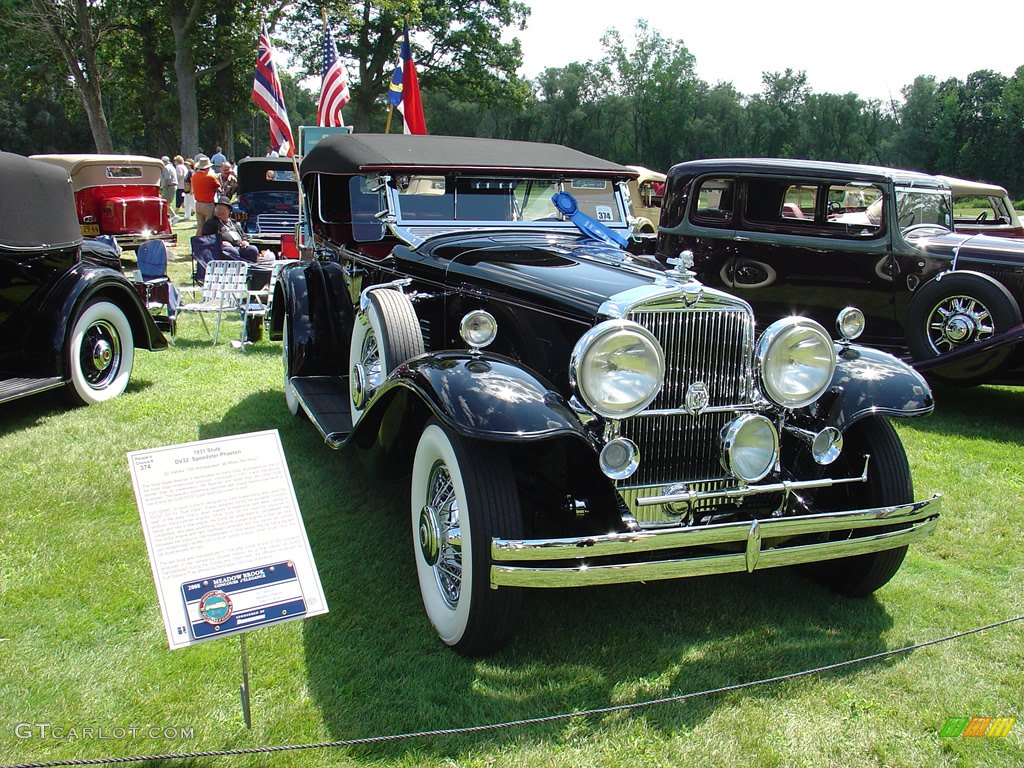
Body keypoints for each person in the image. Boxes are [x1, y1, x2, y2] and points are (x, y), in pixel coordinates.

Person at [202, 196, 258, 262]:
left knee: (253, 250)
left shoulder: (234, 222)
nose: (220, 211)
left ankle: (249, 270)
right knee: (232, 252)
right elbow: (206, 238)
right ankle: (236, 271)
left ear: (229, 211)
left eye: (223, 210)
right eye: (218, 209)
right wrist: (220, 243)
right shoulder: (211, 223)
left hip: (239, 247)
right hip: (223, 249)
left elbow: (243, 235)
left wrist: (245, 241)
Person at [190, 156, 222, 235]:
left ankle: (198, 242)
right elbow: (219, 189)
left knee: (200, 226)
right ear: (207, 168)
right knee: (209, 227)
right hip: (208, 204)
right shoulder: (211, 177)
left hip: (198, 204)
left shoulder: (194, 176)